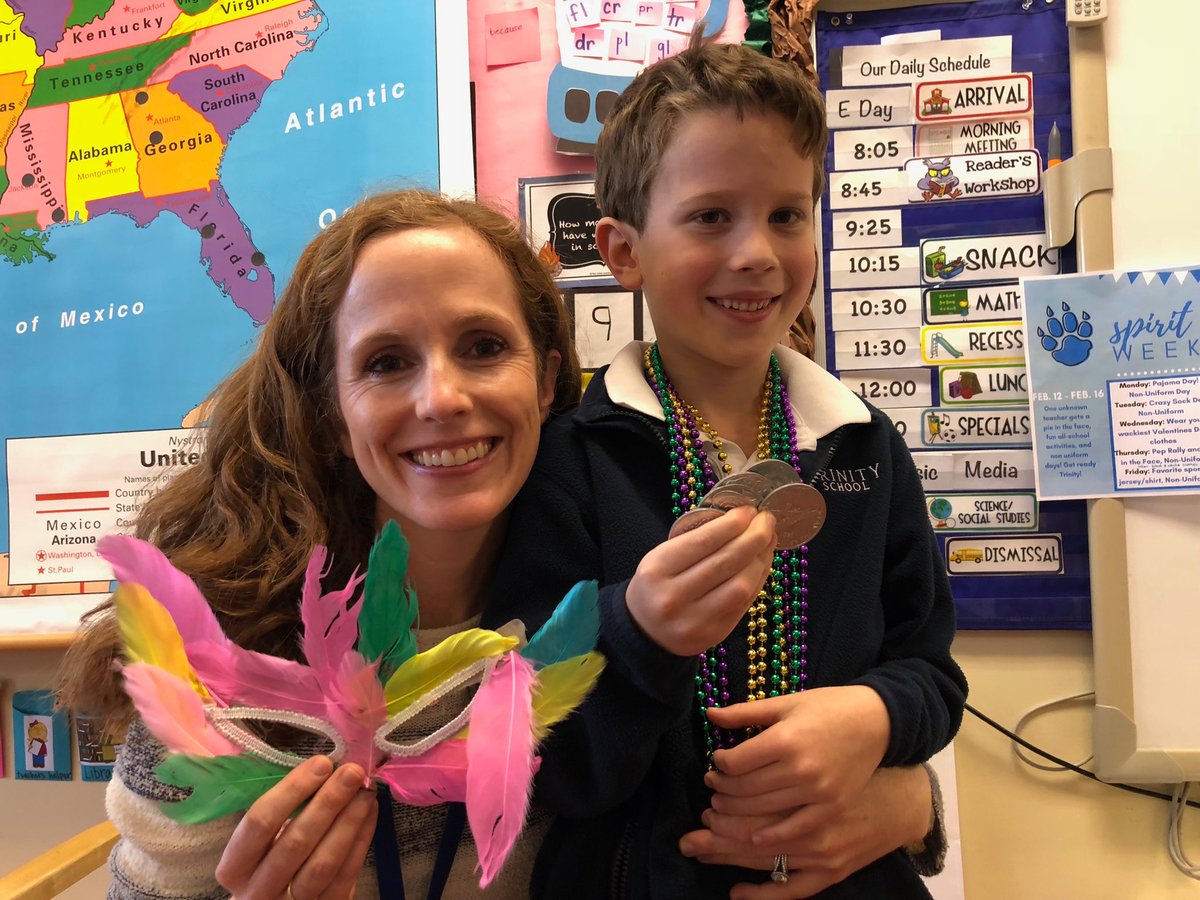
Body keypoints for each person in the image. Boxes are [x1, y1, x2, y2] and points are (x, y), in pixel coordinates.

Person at [484, 35, 967, 899]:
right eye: (711, 216)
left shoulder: (863, 447)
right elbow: (539, 753)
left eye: (786, 215)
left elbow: (930, 671)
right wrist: (640, 634)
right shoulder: (572, 461)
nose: (757, 253)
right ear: (623, 251)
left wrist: (873, 716)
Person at [57, 188, 609, 900]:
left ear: (546, 382)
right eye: (386, 362)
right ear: (331, 419)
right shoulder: (217, 673)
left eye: (484, 347)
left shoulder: (608, 608)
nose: (441, 399)